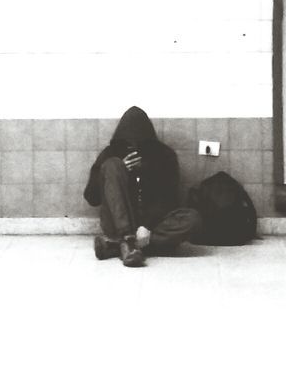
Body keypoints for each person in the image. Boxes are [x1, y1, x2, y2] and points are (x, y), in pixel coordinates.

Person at [84, 105, 201, 266]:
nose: (133, 147)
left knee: (193, 219)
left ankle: (118, 246)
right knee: (112, 165)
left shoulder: (163, 155)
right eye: (128, 144)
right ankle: (129, 240)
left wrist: (147, 225)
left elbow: (169, 199)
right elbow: (92, 197)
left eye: (139, 143)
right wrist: (120, 171)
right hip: (119, 223)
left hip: (153, 224)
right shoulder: (110, 154)